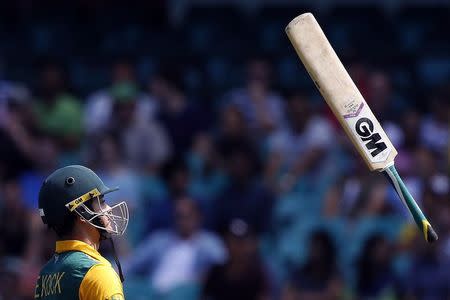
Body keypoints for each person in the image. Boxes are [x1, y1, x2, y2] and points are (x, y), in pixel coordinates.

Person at [35, 165, 129, 299]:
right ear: (82, 212)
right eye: (101, 202)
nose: (108, 208)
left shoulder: (44, 275)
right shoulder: (98, 273)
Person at [123, 197, 225, 294]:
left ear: (198, 217)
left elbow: (224, 267)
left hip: (185, 294)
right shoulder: (159, 240)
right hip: (153, 293)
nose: (183, 221)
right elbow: (132, 263)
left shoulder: (210, 243)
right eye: (179, 216)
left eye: (188, 216)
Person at [202, 219, 270, 300]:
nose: (238, 248)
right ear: (226, 244)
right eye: (234, 242)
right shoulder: (216, 273)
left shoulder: (258, 274)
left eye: (242, 243)